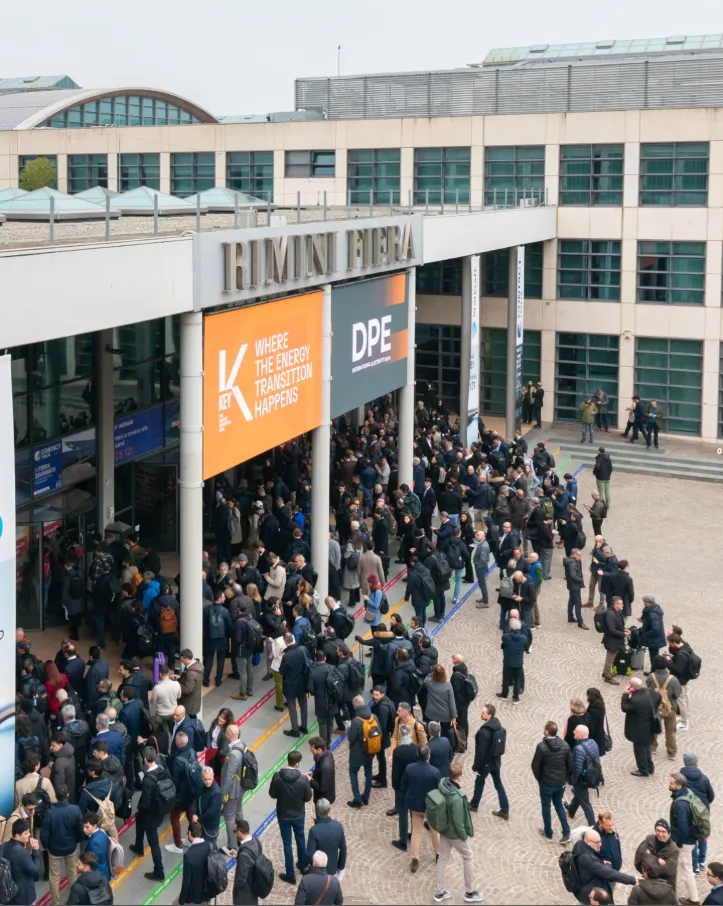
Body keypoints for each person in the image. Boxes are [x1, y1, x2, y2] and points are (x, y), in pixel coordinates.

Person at [433, 762, 485, 904]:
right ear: (460, 777)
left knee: (442, 858)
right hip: (454, 834)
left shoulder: (443, 785)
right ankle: (469, 892)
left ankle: (439, 892)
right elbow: (458, 822)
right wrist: (463, 835)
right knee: (468, 857)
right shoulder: (456, 797)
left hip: (444, 829)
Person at [129, 747, 173, 882]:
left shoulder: (148, 780)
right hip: (160, 809)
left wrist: (141, 808)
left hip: (150, 814)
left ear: (145, 760)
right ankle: (138, 846)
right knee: (139, 819)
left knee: (153, 842)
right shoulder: (163, 769)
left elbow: (145, 803)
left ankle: (159, 871)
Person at [269, 749, 312, 885]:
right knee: (300, 839)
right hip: (298, 814)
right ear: (297, 764)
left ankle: (290, 874)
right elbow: (308, 797)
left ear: (288, 761)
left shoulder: (277, 776)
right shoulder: (303, 779)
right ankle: (304, 866)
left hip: (283, 815)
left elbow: (272, 794)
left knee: (287, 844)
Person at [40, 783, 85, 906]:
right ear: (68, 795)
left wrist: (47, 846)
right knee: (72, 874)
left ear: (55, 796)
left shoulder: (50, 813)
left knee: (54, 877)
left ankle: (55, 902)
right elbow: (80, 830)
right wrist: (76, 841)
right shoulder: (75, 810)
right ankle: (72, 900)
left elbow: (45, 834)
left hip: (54, 850)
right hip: (70, 847)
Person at [399, 745, 441, 873]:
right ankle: (438, 854)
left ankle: (415, 858)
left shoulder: (409, 768)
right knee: (434, 831)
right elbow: (439, 791)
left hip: (415, 804)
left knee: (416, 831)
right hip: (430, 806)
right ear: (428, 756)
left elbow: (403, 787)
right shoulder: (435, 772)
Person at [531, 720, 572, 843]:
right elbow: (570, 766)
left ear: (547, 731)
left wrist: (540, 779)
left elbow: (535, 766)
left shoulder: (541, 747)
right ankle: (566, 832)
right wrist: (564, 777)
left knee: (546, 806)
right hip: (560, 783)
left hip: (546, 783)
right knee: (558, 804)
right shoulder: (565, 745)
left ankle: (548, 832)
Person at [571, 828, 637, 904]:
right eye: (597, 842)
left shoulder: (580, 845)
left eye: (600, 841)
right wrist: (633, 880)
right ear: (588, 841)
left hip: (584, 889)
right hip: (592, 897)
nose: (600, 844)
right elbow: (609, 873)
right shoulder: (588, 860)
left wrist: (599, 862)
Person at [670, 772, 705, 905]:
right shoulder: (687, 793)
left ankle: (694, 899)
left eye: (672, 783)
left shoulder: (680, 804)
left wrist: (678, 842)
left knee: (687, 870)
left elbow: (683, 827)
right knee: (680, 867)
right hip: (690, 839)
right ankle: (672, 892)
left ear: (679, 786)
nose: (669, 785)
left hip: (685, 842)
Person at [469, 703, 509, 819]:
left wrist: (476, 766)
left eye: (483, 713)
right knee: (498, 784)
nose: (481, 714)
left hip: (485, 764)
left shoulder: (484, 732)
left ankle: (474, 804)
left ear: (489, 715)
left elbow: (481, 752)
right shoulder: (498, 727)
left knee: (479, 782)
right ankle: (505, 810)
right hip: (495, 762)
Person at [681, 752, 715, 875]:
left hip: (688, 811)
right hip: (702, 811)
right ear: (695, 762)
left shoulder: (681, 778)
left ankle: (694, 866)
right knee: (702, 835)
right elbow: (711, 796)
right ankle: (702, 862)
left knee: (692, 838)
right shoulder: (704, 778)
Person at [166, 730, 197, 855]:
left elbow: (174, 781)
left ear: (178, 743)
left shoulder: (177, 760)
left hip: (180, 795)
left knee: (174, 818)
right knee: (191, 816)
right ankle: (192, 839)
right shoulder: (192, 752)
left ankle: (177, 845)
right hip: (192, 792)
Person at [622, 677, 661, 777]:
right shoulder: (652, 692)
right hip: (650, 725)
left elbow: (624, 707)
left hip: (639, 729)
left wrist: (625, 694)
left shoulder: (635, 700)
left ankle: (643, 770)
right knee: (646, 747)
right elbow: (658, 700)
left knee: (640, 750)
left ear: (632, 687)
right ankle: (650, 767)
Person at [346, 693, 379, 808]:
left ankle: (357, 798)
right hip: (370, 751)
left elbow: (351, 738)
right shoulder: (374, 717)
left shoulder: (356, 721)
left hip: (357, 752)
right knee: (368, 773)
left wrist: (349, 729)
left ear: (355, 706)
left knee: (353, 772)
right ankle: (366, 797)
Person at [647, 655, 681, 760]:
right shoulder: (673, 679)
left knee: (654, 728)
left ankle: (653, 747)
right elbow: (677, 694)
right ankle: (671, 751)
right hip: (670, 707)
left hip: (655, 707)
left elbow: (648, 690)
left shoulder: (651, 677)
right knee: (670, 731)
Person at [219, 723, 246, 854]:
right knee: (239, 812)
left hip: (233, 790)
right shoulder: (242, 746)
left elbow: (230, 776)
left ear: (230, 734)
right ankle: (242, 837)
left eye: (226, 732)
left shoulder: (234, 753)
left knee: (229, 817)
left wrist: (224, 793)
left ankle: (232, 846)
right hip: (240, 788)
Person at [565, 725, 599, 826]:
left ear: (580, 735)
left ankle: (593, 825)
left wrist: (573, 781)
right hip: (591, 774)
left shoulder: (578, 749)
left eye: (575, 731)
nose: (573, 732)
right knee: (579, 794)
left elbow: (577, 769)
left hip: (582, 779)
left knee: (585, 802)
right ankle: (571, 809)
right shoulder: (593, 742)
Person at [280, 632, 311, 739]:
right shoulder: (303, 649)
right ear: (293, 639)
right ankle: (304, 727)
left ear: (285, 642)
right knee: (304, 705)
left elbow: (282, 671)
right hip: (302, 683)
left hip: (290, 686)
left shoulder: (287, 656)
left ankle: (295, 730)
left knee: (292, 708)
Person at [634, 818, 679, 890]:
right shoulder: (649, 840)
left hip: (664, 887)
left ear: (668, 833)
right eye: (658, 830)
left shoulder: (674, 850)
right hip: (647, 883)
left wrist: (648, 858)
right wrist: (657, 860)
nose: (660, 834)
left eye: (663, 831)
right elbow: (639, 857)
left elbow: (668, 871)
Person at [5, 819, 41, 906]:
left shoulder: (4, 846)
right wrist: (36, 851)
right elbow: (35, 871)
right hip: (23, 896)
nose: (29, 835)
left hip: (9, 895)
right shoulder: (20, 852)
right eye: (26, 833)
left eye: (28, 832)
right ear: (17, 836)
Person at [306, 798, 346, 876]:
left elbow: (310, 854)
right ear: (329, 810)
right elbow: (343, 849)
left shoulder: (314, 831)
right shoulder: (338, 826)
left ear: (317, 812)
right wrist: (340, 866)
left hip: (318, 871)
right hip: (332, 869)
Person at [230, 818, 264, 905]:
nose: (235, 833)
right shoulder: (256, 841)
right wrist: (238, 856)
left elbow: (241, 879)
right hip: (254, 885)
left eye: (235, 831)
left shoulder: (244, 855)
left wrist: (236, 889)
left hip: (245, 893)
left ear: (240, 832)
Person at [203, 591, 233, 687]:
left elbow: (204, 625)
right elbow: (229, 626)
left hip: (209, 638)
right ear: (219, 598)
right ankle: (218, 680)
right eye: (223, 597)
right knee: (221, 660)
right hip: (222, 638)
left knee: (208, 660)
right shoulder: (225, 611)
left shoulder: (207, 609)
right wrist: (229, 636)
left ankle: (206, 679)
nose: (224, 598)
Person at [177, 821, 210, 906]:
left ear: (189, 833)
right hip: (207, 890)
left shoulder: (188, 855)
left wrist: (181, 901)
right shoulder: (209, 845)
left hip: (194, 895)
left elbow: (187, 881)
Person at [423, 664, 457, 740]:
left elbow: (426, 677)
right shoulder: (448, 685)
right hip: (445, 714)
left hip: (432, 712)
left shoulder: (429, 682)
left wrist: (433, 672)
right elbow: (451, 703)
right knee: (445, 734)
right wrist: (454, 716)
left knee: (431, 732)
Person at [498, 617, 527, 704]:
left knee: (506, 678)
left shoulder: (506, 637)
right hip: (518, 662)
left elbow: (503, 643)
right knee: (517, 680)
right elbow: (525, 646)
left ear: (510, 627)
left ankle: (504, 695)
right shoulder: (523, 638)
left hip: (508, 661)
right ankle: (515, 698)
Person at [602, 597, 629, 685]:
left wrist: (624, 630)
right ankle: (608, 677)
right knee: (609, 659)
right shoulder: (610, 614)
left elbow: (618, 626)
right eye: (621, 604)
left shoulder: (617, 612)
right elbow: (612, 629)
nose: (623, 605)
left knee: (611, 657)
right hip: (611, 640)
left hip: (616, 639)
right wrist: (623, 634)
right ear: (615, 604)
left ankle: (605, 672)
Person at [193, 766, 222, 849]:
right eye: (205, 779)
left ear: (213, 776)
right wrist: (194, 813)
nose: (208, 782)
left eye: (210, 779)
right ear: (202, 778)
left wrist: (198, 820)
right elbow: (196, 799)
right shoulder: (200, 785)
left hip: (211, 827)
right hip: (202, 822)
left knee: (210, 847)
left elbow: (211, 813)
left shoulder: (217, 793)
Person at [307, 736, 336, 809]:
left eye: (312, 750)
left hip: (323, 800)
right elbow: (319, 769)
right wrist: (313, 772)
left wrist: (310, 780)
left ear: (319, 750)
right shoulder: (327, 753)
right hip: (325, 796)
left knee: (321, 814)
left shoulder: (325, 767)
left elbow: (323, 788)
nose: (311, 751)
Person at [563, 549, 588, 630]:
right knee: (578, 603)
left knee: (572, 600)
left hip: (572, 585)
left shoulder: (571, 561)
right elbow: (573, 575)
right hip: (575, 586)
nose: (580, 557)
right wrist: (581, 580)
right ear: (574, 555)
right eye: (579, 555)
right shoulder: (572, 563)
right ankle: (580, 622)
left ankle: (570, 617)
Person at [81, 812, 110, 880]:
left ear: (94, 826)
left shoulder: (95, 843)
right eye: (84, 826)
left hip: (98, 877)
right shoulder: (101, 831)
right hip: (104, 870)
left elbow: (94, 864)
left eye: (87, 827)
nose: (84, 829)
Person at [176, 649, 204, 718]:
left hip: (189, 704)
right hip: (193, 702)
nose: (182, 662)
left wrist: (177, 684)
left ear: (187, 659)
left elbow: (188, 689)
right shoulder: (196, 666)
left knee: (190, 721)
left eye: (182, 660)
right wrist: (181, 678)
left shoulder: (191, 673)